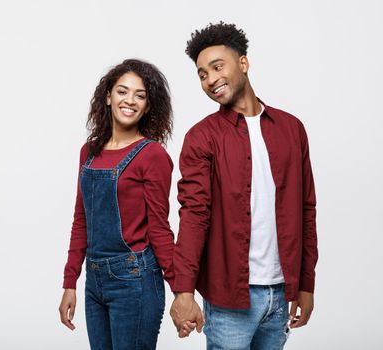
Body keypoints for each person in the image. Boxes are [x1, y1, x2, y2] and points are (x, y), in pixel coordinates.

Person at [169, 22, 319, 349]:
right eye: (202, 74)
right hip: (228, 298)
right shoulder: (201, 137)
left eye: (217, 67)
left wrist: (305, 284)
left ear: (243, 64)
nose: (210, 79)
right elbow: (194, 214)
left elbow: (307, 209)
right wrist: (184, 291)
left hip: (281, 292)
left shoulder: (292, 129)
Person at [59, 58, 175, 350]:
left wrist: (182, 291)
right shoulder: (89, 151)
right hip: (94, 280)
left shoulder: (152, 155)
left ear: (148, 106)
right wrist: (70, 281)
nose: (130, 101)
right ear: (108, 96)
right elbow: (81, 219)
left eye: (140, 95)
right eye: (123, 91)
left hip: (135, 280)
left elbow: (160, 229)